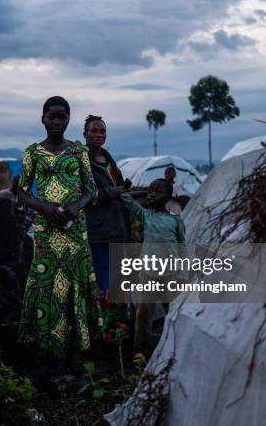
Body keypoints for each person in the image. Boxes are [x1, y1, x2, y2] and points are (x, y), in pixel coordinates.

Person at [17, 96, 103, 374]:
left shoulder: (78, 152)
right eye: (52, 117)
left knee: (75, 284)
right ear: (42, 118)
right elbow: (20, 191)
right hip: (46, 231)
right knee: (48, 287)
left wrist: (76, 207)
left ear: (68, 120)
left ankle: (75, 350)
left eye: (62, 117)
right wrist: (43, 207)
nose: (57, 122)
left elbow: (92, 190)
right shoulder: (33, 153)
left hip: (74, 231)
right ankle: (47, 349)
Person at [121, 179, 186, 354]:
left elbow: (182, 246)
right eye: (150, 191)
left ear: (168, 197)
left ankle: (176, 345)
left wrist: (183, 273)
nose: (152, 194)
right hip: (148, 273)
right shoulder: (146, 215)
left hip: (171, 273)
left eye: (157, 191)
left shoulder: (175, 221)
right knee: (143, 313)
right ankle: (141, 351)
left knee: (173, 310)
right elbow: (125, 198)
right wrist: (143, 192)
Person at [83, 115, 132, 326]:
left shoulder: (108, 158)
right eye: (94, 131)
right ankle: (105, 327)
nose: (98, 135)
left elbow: (118, 190)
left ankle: (119, 324)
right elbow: (82, 196)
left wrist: (125, 191)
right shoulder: (82, 162)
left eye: (102, 131)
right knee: (104, 280)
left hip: (118, 228)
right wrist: (108, 192)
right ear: (85, 134)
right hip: (100, 231)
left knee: (118, 280)